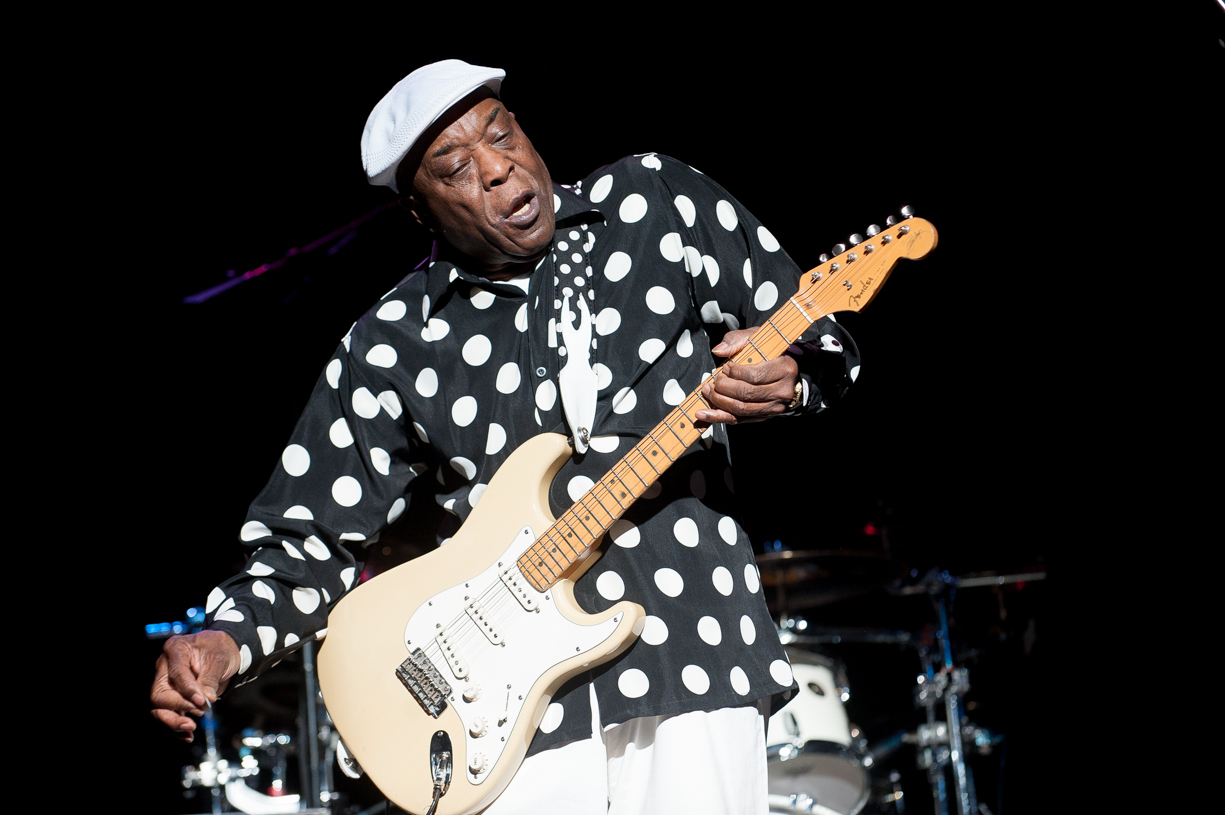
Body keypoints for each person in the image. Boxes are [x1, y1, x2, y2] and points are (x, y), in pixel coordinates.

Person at [150, 59, 860, 814]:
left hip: (691, 642)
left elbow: (815, 333)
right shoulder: (392, 340)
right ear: (419, 213)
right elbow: (310, 540)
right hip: (502, 707)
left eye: (502, 132)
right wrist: (226, 638)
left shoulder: (655, 199)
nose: (498, 169)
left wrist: (793, 377)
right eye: (456, 167)